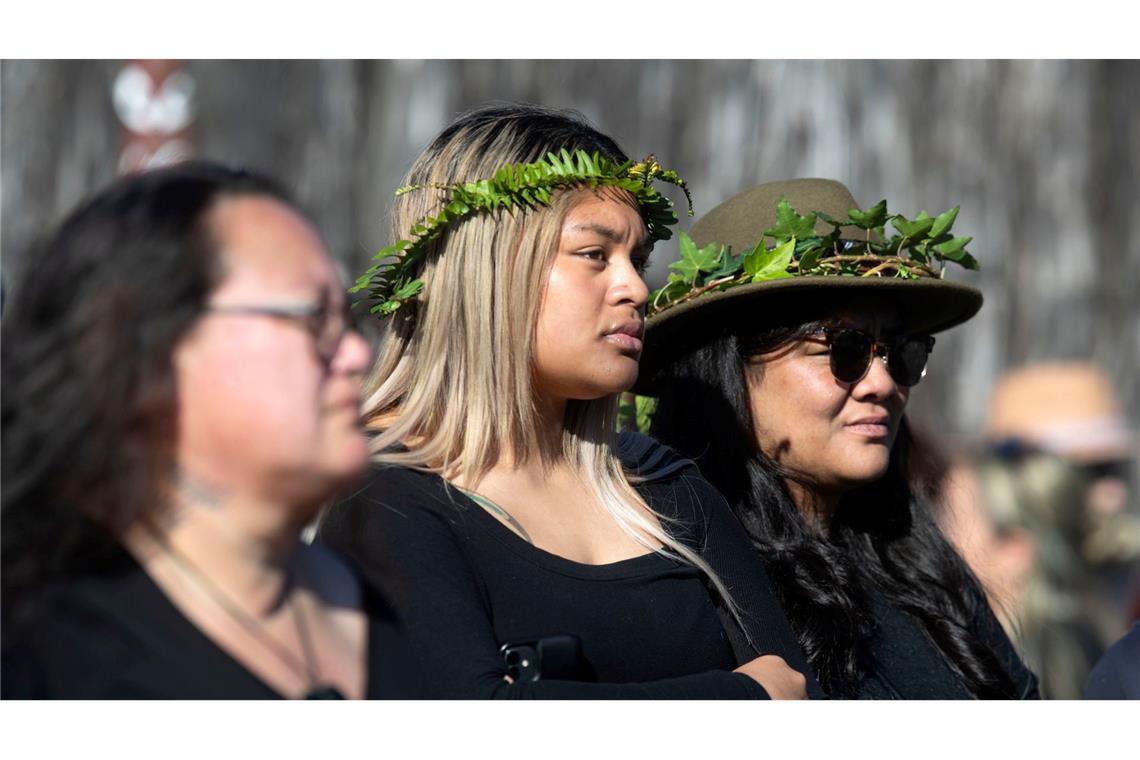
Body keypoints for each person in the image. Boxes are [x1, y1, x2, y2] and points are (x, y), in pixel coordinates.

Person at [316, 104, 820, 699]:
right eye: (594, 255)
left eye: (637, 260)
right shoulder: (389, 502)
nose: (635, 288)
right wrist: (737, 699)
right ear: (491, 267)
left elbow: (798, 695)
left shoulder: (667, 489)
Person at [1, 162, 392, 699]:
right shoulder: (54, 662)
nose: (354, 353)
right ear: (156, 353)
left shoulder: (381, 612)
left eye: (347, 321)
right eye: (312, 319)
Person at [639, 178, 1039, 698]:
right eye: (845, 349)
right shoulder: (680, 591)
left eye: (902, 352)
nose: (883, 384)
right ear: (728, 371)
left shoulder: (931, 581)